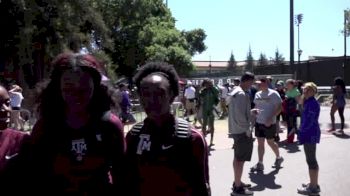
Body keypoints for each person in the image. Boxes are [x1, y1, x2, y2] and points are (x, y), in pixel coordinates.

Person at [23, 53, 126, 195]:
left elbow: (122, 173)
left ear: (95, 86)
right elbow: (36, 173)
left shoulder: (110, 125)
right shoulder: (45, 127)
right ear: (57, 87)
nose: (76, 94)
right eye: (68, 87)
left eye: (84, 87)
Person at [126, 62, 210, 196]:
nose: (152, 100)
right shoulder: (133, 137)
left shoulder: (192, 138)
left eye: (159, 93)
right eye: (146, 94)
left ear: (171, 95)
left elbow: (201, 187)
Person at [227, 72, 255, 196]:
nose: (252, 85)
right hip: (241, 131)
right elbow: (239, 116)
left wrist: (250, 112)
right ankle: (238, 188)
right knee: (240, 159)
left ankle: (237, 182)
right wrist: (247, 129)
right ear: (247, 81)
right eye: (251, 82)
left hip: (235, 129)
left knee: (237, 158)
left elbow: (239, 111)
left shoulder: (235, 91)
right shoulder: (241, 94)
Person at [251, 77, 284, 172]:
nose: (257, 85)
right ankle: (260, 163)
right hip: (259, 122)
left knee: (270, 143)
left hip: (270, 123)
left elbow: (280, 108)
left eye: (259, 84)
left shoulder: (274, 93)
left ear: (265, 84)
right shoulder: (257, 94)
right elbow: (256, 106)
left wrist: (271, 118)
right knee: (260, 143)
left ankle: (278, 157)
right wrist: (254, 113)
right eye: (257, 84)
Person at [297, 82, 321, 195]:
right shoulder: (308, 101)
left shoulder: (312, 103)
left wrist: (302, 131)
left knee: (311, 160)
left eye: (308, 90)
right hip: (309, 132)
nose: (305, 92)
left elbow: (310, 121)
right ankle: (314, 183)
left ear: (313, 91)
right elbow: (300, 104)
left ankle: (313, 188)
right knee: (310, 159)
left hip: (310, 133)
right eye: (304, 90)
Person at [200, 79, 220, 146]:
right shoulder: (203, 91)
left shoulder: (214, 89)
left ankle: (211, 141)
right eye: (206, 83)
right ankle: (203, 140)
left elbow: (217, 92)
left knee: (212, 125)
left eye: (208, 83)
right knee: (204, 125)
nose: (207, 85)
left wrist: (212, 86)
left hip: (212, 109)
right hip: (205, 109)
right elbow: (200, 96)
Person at [284, 79, 301, 143]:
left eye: (287, 84)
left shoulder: (296, 91)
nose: (286, 85)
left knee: (292, 125)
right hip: (288, 111)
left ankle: (292, 138)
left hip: (293, 111)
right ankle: (290, 137)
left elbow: (299, 102)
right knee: (290, 125)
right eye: (286, 84)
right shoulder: (288, 91)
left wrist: (290, 100)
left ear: (292, 84)